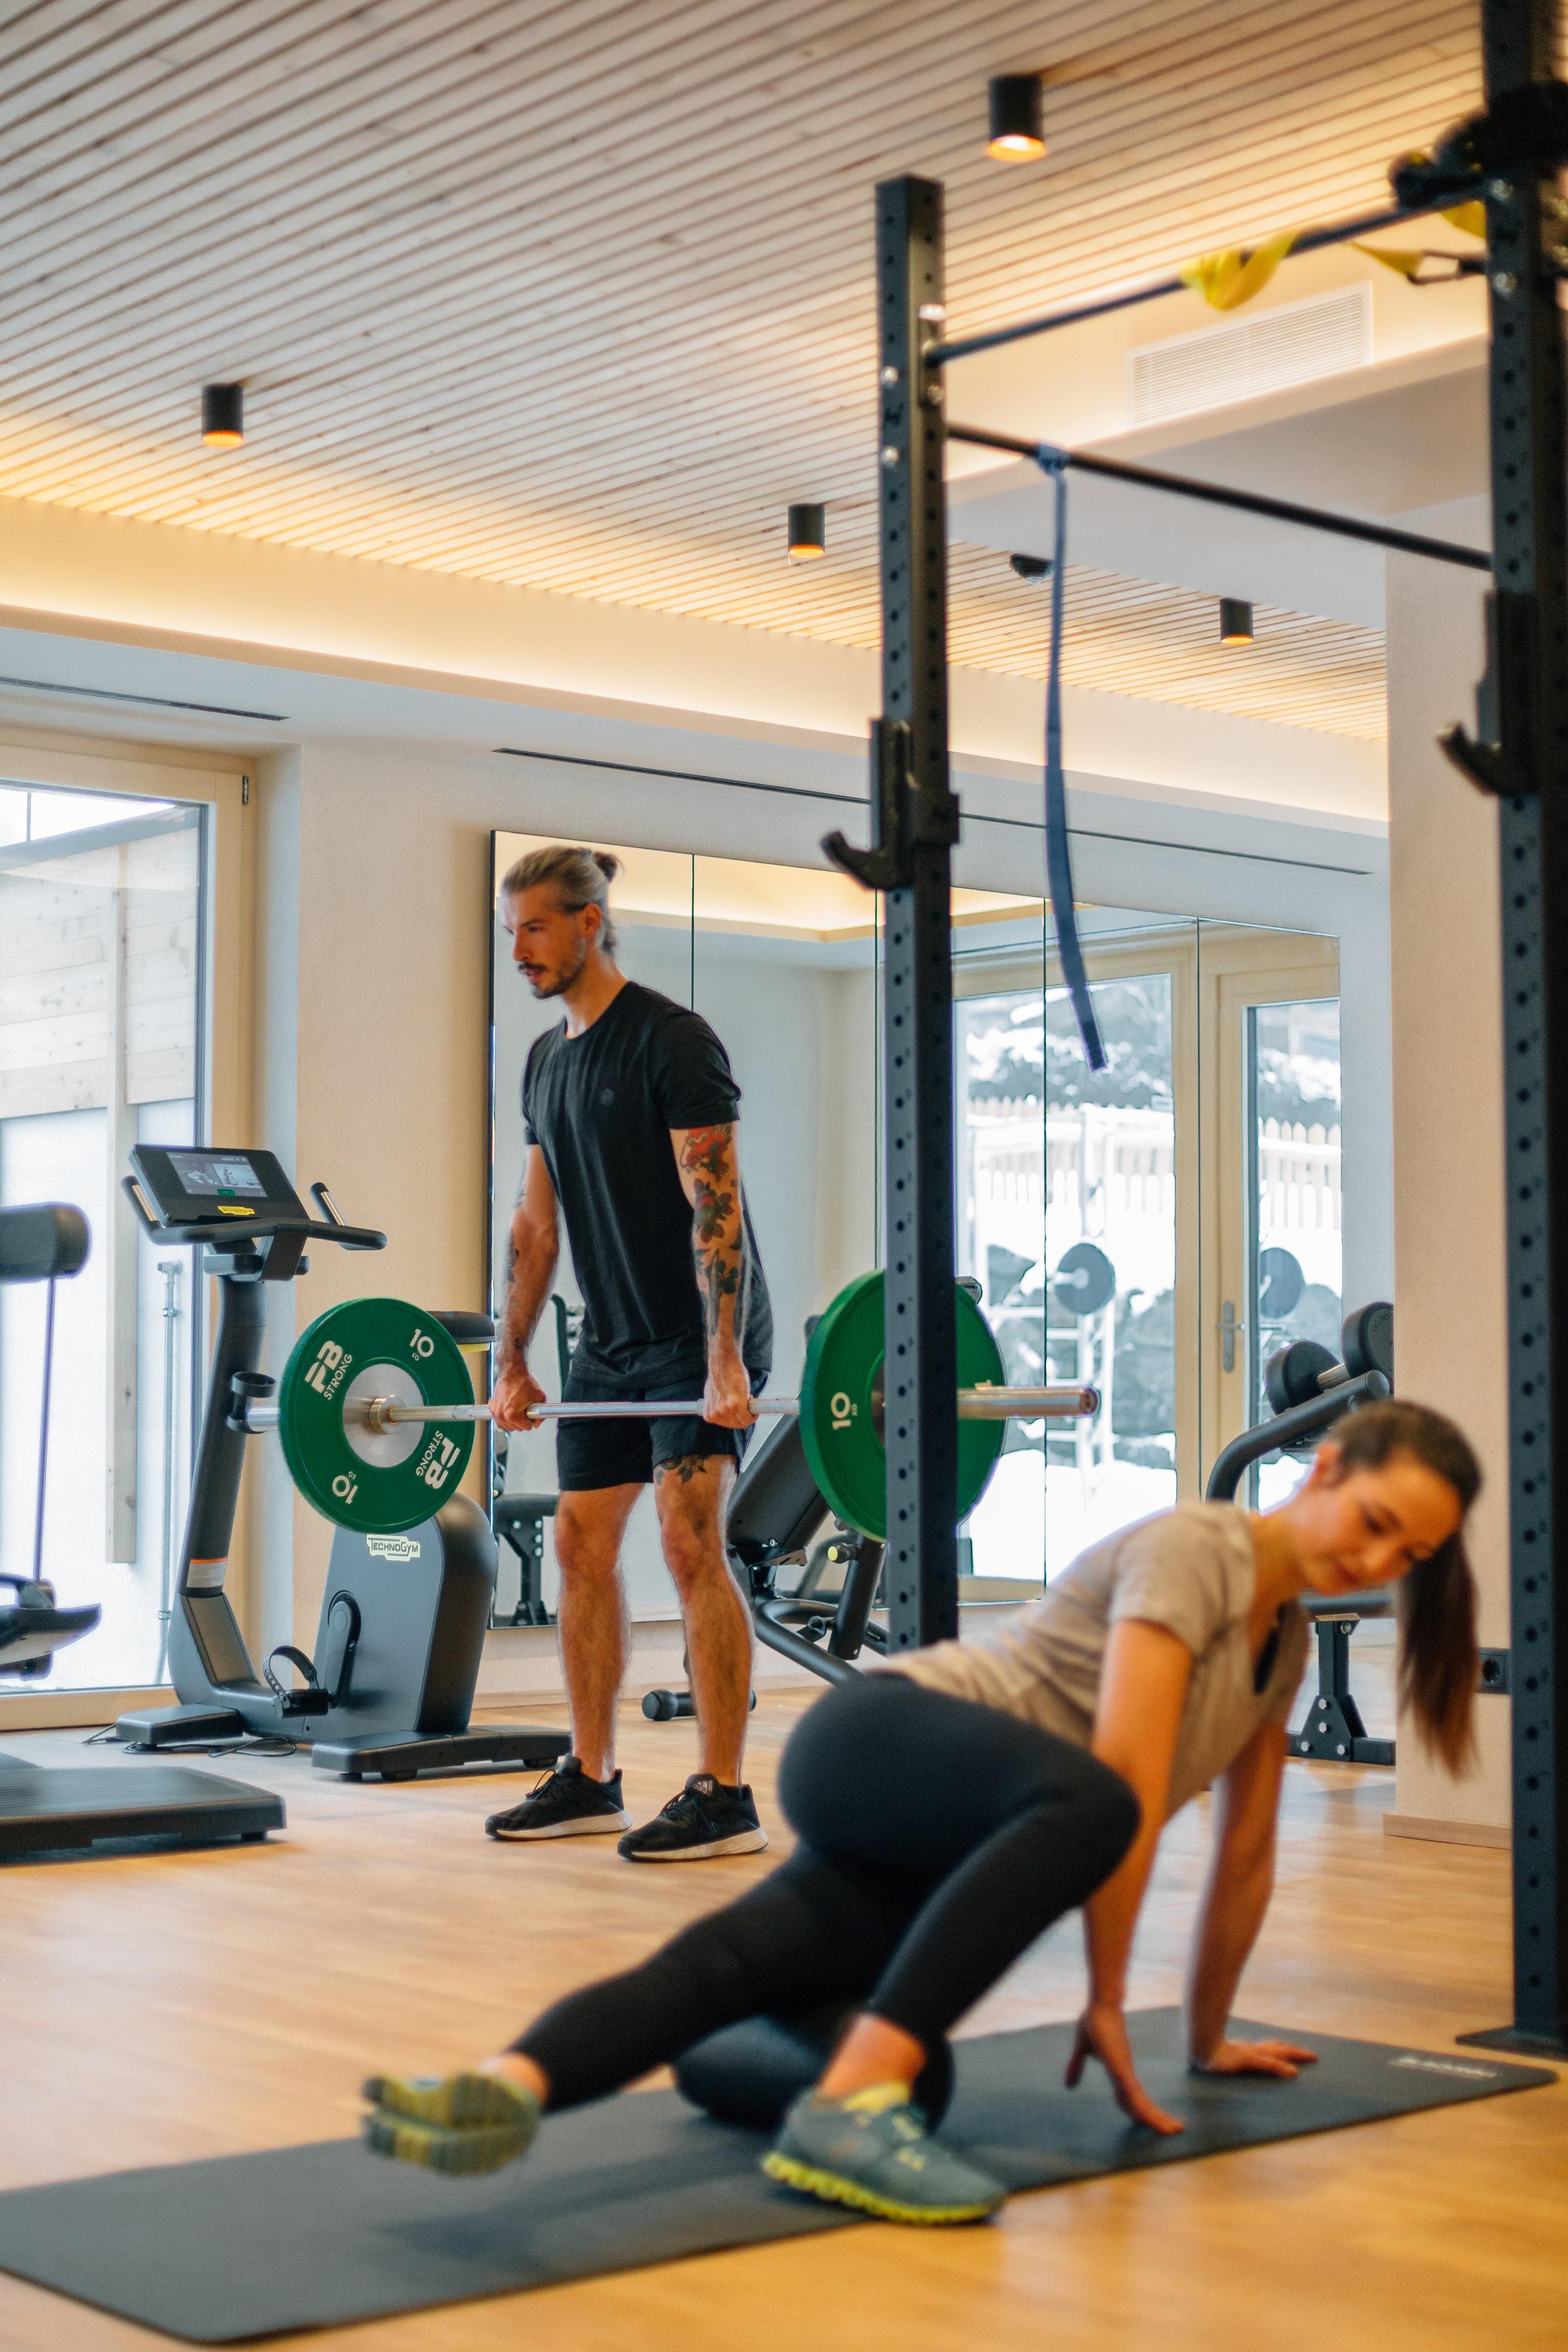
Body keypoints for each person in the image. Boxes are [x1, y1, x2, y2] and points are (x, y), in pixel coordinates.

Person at [362, 1400, 1479, 2226]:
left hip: (933, 1831)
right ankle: (847, 2107)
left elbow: (1244, 1854)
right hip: (883, 1741)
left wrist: (1203, 2036)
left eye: (1408, 1554)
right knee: (1084, 1802)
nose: (1375, 1560)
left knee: (778, 1994)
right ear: (1323, 1466)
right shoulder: (1200, 1550)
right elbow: (1121, 1793)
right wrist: (1100, 1998)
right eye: (1374, 1519)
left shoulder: (1278, 1650)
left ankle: (501, 2089)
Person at [485, 844, 774, 1862]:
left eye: (533, 926)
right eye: (510, 927)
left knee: (689, 1538)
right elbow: (533, 1229)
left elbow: (716, 1203)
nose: (515, 947)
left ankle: (726, 1793)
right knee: (577, 1546)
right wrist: (510, 1359)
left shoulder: (669, 1039)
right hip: (607, 1343)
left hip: (699, 1337)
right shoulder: (544, 1060)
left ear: (589, 923)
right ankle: (593, 1774)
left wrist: (724, 1355)